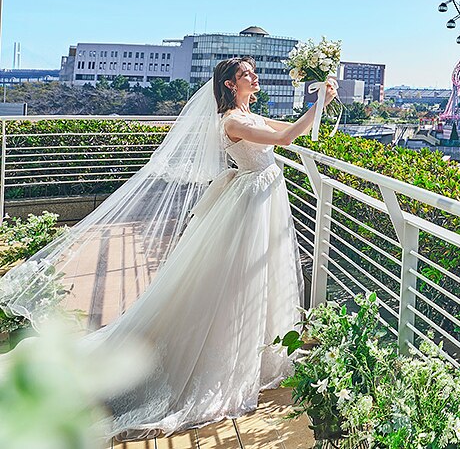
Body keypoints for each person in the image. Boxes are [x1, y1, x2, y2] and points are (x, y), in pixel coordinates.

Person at [0, 56, 336, 438]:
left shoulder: (249, 115)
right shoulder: (233, 121)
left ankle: (257, 350)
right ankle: (219, 354)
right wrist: (318, 103)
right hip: (250, 203)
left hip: (260, 198)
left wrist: (317, 106)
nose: (254, 77)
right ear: (229, 84)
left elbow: (289, 129)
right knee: (237, 280)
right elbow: (286, 138)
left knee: (256, 277)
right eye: (247, 74)